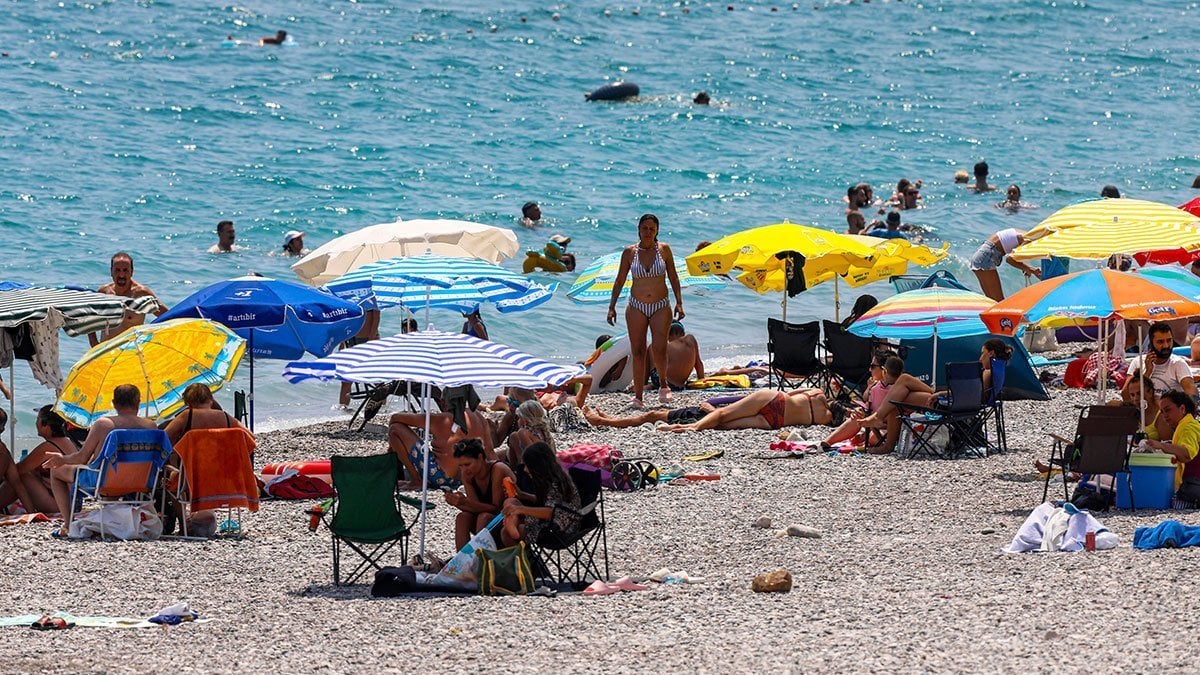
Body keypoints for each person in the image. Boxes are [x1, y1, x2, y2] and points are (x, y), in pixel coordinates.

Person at [42, 384, 157, 537]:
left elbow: (81, 458)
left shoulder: (104, 424)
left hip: (106, 482)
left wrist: (61, 459)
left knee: (56, 471)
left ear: (114, 403)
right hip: (140, 482)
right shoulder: (151, 426)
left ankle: (69, 526)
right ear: (138, 402)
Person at [606, 214, 684, 408]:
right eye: (644, 228)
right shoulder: (629, 253)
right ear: (638, 230)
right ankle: (638, 397)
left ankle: (664, 385)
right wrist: (612, 306)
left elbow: (673, 277)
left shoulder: (664, 250)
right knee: (638, 351)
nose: (648, 232)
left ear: (657, 230)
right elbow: (619, 280)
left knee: (659, 348)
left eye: (652, 228)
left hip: (660, 305)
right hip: (636, 306)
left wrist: (679, 302)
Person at [387, 390, 494, 490]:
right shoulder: (478, 416)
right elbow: (490, 451)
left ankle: (416, 480)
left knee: (395, 429)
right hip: (469, 476)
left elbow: (395, 418)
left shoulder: (442, 419)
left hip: (441, 478)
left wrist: (393, 445)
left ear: (443, 402)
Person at [500, 442, 581, 547]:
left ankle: (516, 539)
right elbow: (549, 502)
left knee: (506, 533)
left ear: (537, 465)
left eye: (527, 465)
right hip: (555, 521)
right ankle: (513, 529)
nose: (524, 469)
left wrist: (520, 509)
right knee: (511, 502)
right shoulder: (551, 476)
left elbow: (551, 512)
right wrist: (523, 495)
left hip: (562, 527)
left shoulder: (554, 483)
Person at [658, 388, 844, 433]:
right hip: (776, 422)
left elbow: (789, 392)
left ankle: (694, 425)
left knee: (722, 414)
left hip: (776, 399)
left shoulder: (818, 393)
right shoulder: (825, 421)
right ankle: (688, 427)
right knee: (723, 425)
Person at [823, 353, 904, 454]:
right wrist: (859, 410)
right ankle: (826, 443)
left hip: (889, 427)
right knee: (855, 417)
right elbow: (868, 402)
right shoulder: (876, 386)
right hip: (874, 423)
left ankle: (864, 436)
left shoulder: (897, 389)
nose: (870, 370)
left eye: (873, 366)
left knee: (872, 438)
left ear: (884, 369)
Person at [0, 406, 74, 515]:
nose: (36, 423)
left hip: (60, 504)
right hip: (73, 503)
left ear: (46, 424)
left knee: (22, 476)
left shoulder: (48, 447)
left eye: (38, 419)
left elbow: (18, 470)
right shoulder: (67, 441)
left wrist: (6, 458)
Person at [444, 438, 515, 550]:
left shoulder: (498, 469)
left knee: (484, 517)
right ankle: (462, 561)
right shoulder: (468, 475)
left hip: (509, 521)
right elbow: (475, 507)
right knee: (462, 517)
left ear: (480, 458)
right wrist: (458, 503)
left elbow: (496, 509)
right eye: (461, 466)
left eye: (467, 464)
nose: (464, 470)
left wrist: (465, 502)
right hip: (487, 520)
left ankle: (479, 559)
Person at [88, 252, 167, 346]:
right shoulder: (103, 293)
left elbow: (168, 317)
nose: (121, 275)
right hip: (106, 353)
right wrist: (94, 344)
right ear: (111, 271)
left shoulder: (142, 294)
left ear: (132, 272)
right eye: (117, 270)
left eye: (125, 270)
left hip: (131, 354)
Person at [1143, 391, 1200, 492]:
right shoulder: (1185, 425)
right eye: (1162, 412)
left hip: (1192, 487)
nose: (1164, 415)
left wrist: (1161, 445)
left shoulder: (1188, 427)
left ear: (1182, 408)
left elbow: (1187, 453)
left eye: (1168, 410)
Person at [1126, 321, 1196, 397]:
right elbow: (1125, 396)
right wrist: (1146, 374)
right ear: (1151, 343)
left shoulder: (1178, 364)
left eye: (1169, 340)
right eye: (1160, 342)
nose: (1166, 345)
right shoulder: (1137, 362)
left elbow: (1191, 391)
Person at [163, 383, 248, 445]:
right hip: (221, 465)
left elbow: (162, 439)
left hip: (191, 467)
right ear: (211, 400)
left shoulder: (187, 416)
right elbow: (249, 436)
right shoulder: (225, 416)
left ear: (187, 403)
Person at [969, 228, 1039, 301]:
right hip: (987, 259)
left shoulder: (1025, 234)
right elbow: (1009, 259)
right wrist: (1032, 270)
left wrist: (1026, 268)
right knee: (999, 301)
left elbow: (1016, 255)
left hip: (981, 258)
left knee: (992, 301)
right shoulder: (1028, 240)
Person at [337, 307, 381, 406]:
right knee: (346, 379)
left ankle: (381, 406)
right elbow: (346, 319)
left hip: (367, 339)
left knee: (374, 377)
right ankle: (343, 409)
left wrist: (371, 338)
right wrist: (342, 341)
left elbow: (376, 315)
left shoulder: (369, 296)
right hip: (351, 340)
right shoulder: (350, 296)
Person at [648, 322, 704, 390]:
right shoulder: (690, 340)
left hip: (662, 383)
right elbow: (699, 365)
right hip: (680, 386)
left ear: (667, 335)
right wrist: (701, 382)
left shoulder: (666, 348)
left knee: (651, 348)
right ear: (683, 333)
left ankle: (643, 384)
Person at [505, 400, 555, 467]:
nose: (518, 420)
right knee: (505, 452)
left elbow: (531, 456)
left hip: (533, 470)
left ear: (525, 420)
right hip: (550, 467)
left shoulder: (523, 432)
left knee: (513, 437)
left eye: (519, 417)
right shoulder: (543, 431)